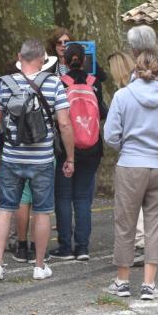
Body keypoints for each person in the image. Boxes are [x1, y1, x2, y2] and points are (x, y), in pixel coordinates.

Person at [103, 51, 158, 300]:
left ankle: (122, 281)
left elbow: (110, 135)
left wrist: (126, 146)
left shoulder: (122, 96)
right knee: (155, 225)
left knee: (125, 224)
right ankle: (149, 284)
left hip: (130, 164)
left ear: (136, 68)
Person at [0, 39, 74, 282]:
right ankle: (39, 266)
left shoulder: (4, 84)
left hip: (12, 156)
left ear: (20, 56)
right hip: (42, 159)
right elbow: (64, 124)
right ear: (42, 60)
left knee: (6, 208)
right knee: (42, 211)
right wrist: (70, 157)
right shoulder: (54, 83)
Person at [51, 42, 106, 261]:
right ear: (84, 60)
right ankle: (82, 247)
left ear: (64, 61)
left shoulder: (59, 83)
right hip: (92, 146)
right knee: (83, 197)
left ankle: (65, 246)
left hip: (66, 147)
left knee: (64, 197)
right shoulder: (94, 82)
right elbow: (102, 112)